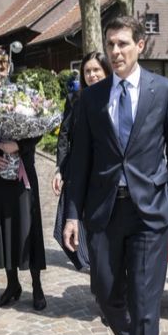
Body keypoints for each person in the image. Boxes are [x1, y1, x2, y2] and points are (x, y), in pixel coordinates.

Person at [63, 16, 168, 335]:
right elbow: (79, 158)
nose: (115, 51)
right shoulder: (91, 97)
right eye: (110, 45)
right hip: (104, 211)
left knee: (145, 300)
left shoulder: (165, 91)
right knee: (104, 290)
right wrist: (72, 214)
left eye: (122, 44)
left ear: (140, 45)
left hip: (151, 212)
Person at [0, 49, 47, 311]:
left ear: (8, 69)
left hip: (22, 172)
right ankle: (12, 283)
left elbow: (37, 128)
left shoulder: (21, 97)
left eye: (0, 70)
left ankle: (37, 285)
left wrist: (19, 145)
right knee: (2, 228)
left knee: (28, 228)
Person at [52, 51, 111, 270]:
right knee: (74, 216)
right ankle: (86, 257)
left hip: (105, 171)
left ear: (106, 71)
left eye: (97, 70)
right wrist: (59, 168)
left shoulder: (115, 99)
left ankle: (97, 259)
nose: (92, 75)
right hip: (78, 169)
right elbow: (64, 135)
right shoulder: (75, 100)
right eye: (88, 71)